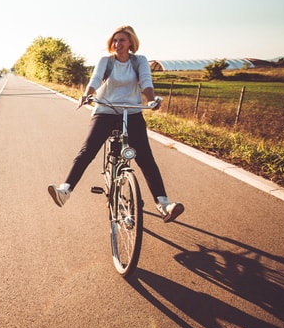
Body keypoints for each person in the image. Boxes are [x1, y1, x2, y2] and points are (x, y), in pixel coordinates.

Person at [47, 25, 185, 223]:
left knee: (146, 158)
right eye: (115, 40)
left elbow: (146, 81)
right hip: (105, 110)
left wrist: (152, 100)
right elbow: (95, 80)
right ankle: (65, 191)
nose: (117, 44)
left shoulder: (139, 61)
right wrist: (87, 95)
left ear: (131, 43)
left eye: (122, 40)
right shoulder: (106, 61)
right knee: (88, 150)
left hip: (132, 112)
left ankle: (164, 204)